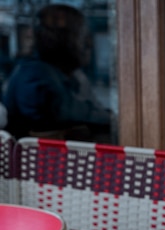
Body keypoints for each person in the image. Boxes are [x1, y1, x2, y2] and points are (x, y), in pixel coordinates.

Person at [2, 4, 111, 142]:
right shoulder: (35, 75)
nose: (88, 44)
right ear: (54, 39)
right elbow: (67, 117)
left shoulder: (72, 75)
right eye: (80, 35)